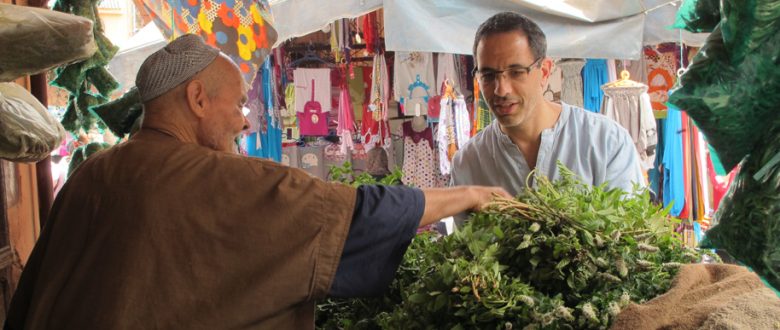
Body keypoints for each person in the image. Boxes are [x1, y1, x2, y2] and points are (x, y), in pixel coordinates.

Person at [5, 34, 509, 329]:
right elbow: (350, 220)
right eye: (239, 104)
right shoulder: (208, 177)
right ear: (198, 100)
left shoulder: (93, 173)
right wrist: (470, 195)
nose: (246, 120)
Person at [451, 12, 645, 201]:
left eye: (516, 72)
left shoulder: (606, 142)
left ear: (544, 72)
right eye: (488, 75)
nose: (501, 90)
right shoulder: (468, 163)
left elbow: (630, 229)